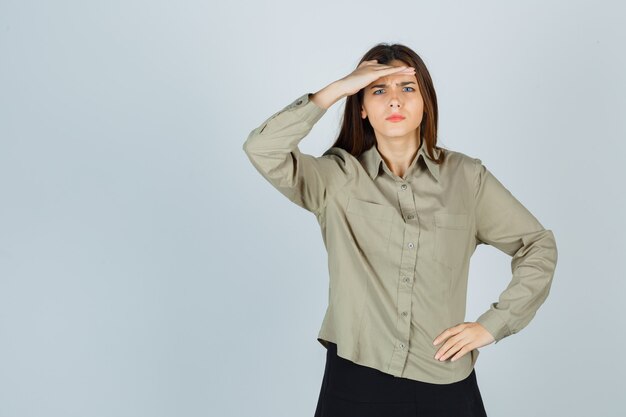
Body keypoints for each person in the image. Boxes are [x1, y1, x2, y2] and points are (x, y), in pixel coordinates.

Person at [242, 43, 558, 417]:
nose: (394, 100)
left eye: (407, 88)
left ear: (426, 102)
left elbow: (537, 245)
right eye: (378, 90)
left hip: (443, 381)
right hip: (356, 381)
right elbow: (262, 148)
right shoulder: (335, 178)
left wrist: (493, 325)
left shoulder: (466, 178)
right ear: (360, 107)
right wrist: (336, 89)